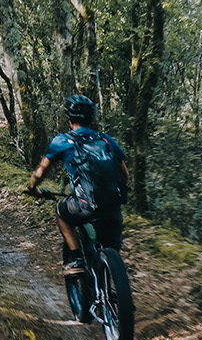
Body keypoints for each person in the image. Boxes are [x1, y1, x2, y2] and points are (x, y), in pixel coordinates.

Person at [25, 94, 129, 277]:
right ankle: (109, 292)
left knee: (61, 211)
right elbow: (124, 173)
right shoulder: (106, 140)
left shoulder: (62, 141)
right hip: (113, 208)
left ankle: (75, 257)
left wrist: (33, 188)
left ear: (69, 118)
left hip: (85, 205)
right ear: (91, 118)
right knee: (110, 250)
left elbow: (40, 172)